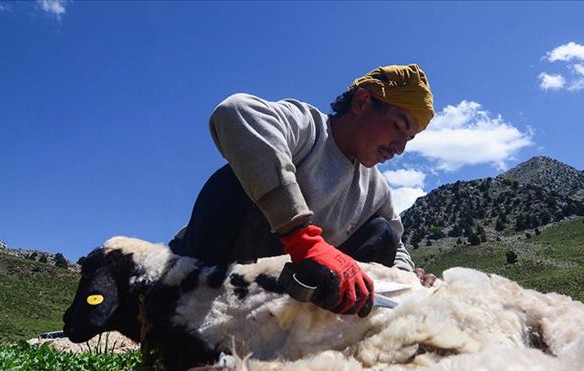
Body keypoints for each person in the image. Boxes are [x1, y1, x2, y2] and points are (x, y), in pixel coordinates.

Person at [170, 64, 436, 317]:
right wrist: (302, 238)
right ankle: (192, 303)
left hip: (275, 295)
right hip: (204, 265)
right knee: (235, 180)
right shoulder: (309, 128)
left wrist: (408, 280)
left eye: (408, 139)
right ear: (361, 102)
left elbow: (396, 245)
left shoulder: (375, 189)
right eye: (398, 126)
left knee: (383, 233)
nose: (399, 147)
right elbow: (235, 110)